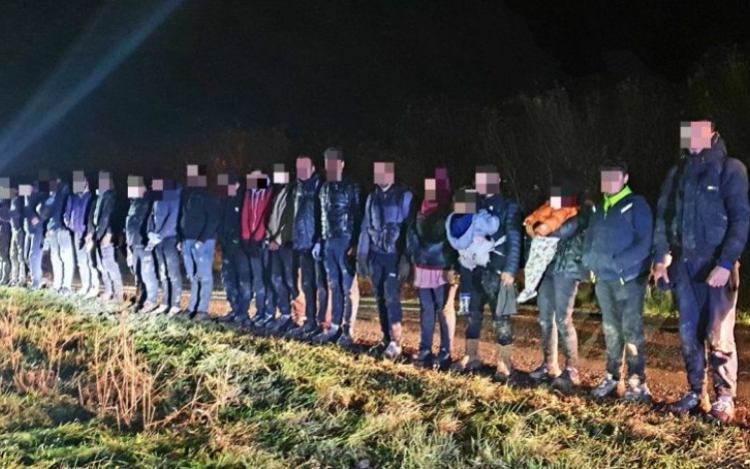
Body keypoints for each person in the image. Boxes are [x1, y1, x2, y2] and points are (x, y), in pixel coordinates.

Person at [653, 120, 750, 424]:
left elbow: (740, 219)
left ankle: (724, 398)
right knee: (689, 333)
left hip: (716, 265)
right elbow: (664, 216)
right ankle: (696, 393)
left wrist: (726, 262)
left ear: (713, 135)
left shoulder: (730, 169)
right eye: (689, 134)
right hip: (684, 266)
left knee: (719, 334)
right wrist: (661, 257)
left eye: (699, 133)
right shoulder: (677, 172)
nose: (693, 139)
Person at [582, 162, 652, 403]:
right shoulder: (600, 208)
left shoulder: (636, 205)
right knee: (611, 331)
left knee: (631, 331)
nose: (609, 181)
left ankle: (637, 383)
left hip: (628, 280)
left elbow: (645, 243)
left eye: (614, 177)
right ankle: (613, 378)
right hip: (604, 281)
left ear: (625, 178)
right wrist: (589, 261)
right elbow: (589, 240)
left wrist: (618, 264)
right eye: (605, 177)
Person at [450, 166, 522, 384]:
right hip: (473, 269)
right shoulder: (473, 203)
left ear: (498, 180)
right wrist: (455, 266)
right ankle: (471, 356)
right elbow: (461, 236)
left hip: (498, 270)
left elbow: (514, 238)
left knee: (502, 317)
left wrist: (511, 268)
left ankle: (505, 362)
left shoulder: (509, 206)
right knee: (472, 314)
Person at [527, 182, 592, 390]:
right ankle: (550, 364)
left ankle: (572, 370)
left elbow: (560, 232)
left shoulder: (580, 215)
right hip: (549, 268)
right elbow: (532, 229)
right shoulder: (550, 211)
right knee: (545, 319)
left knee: (563, 319)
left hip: (567, 270)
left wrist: (539, 229)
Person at [358, 161, 414, 359]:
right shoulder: (372, 198)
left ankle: (396, 343)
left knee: (392, 297)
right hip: (376, 255)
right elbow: (366, 227)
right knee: (380, 298)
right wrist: (362, 256)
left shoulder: (404, 196)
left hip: (394, 256)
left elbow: (410, 229)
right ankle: (386, 338)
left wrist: (406, 258)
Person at [407, 169, 457, 369]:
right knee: (427, 309)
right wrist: (414, 259)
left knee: (443, 309)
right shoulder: (421, 206)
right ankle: (426, 347)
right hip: (423, 265)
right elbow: (412, 233)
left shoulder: (450, 210)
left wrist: (453, 266)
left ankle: (445, 351)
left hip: (441, 266)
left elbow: (453, 240)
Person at [313, 148, 362, 345]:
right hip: (328, 241)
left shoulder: (352, 186)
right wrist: (319, 239)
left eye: (334, 162)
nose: (330, 166)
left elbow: (358, 214)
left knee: (348, 287)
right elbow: (321, 216)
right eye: (327, 162)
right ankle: (334, 326)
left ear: (341, 164)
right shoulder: (324, 188)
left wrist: (355, 243)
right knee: (333, 285)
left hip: (346, 239)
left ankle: (348, 329)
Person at [286, 156, 328, 339]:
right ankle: (310, 321)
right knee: (306, 284)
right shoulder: (297, 188)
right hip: (302, 243)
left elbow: (323, 214)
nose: (301, 171)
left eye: (304, 167)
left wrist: (319, 239)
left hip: (316, 242)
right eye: (298, 167)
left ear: (313, 168)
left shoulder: (320, 186)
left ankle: (324, 323)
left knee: (321, 285)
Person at [517, 187, 579, 303]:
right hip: (540, 239)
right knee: (531, 263)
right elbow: (538, 214)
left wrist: (540, 230)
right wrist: (530, 221)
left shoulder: (566, 208)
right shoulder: (549, 205)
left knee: (538, 262)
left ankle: (530, 288)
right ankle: (529, 287)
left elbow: (554, 221)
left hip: (548, 241)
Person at [180, 165, 221, 320]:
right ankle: (192, 308)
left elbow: (213, 220)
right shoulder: (189, 194)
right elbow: (183, 217)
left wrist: (202, 239)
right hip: (188, 239)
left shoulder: (209, 195)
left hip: (203, 241)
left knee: (204, 276)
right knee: (193, 276)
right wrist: (181, 238)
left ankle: (202, 310)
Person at [264, 164, 297, 335]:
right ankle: (285, 314)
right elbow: (272, 218)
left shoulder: (293, 192)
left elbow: (290, 219)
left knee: (291, 281)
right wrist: (269, 236)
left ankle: (300, 318)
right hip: (274, 243)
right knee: (276, 278)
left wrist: (277, 239)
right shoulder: (278, 192)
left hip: (287, 243)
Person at [216, 173, 252, 324]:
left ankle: (243, 312)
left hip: (241, 247)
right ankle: (235, 309)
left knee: (243, 280)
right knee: (228, 279)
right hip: (227, 246)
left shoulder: (244, 197)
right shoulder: (226, 199)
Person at [241, 169, 274, 328]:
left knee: (268, 278)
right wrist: (247, 237)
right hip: (253, 242)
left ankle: (269, 311)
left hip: (264, 241)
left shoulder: (269, 193)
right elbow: (245, 215)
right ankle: (260, 311)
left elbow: (266, 216)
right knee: (258, 278)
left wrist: (258, 236)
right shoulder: (250, 194)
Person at [147, 178, 183, 316]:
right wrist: (150, 232)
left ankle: (175, 304)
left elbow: (172, 219)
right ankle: (165, 302)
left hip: (169, 239)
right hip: (158, 240)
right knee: (162, 273)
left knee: (172, 272)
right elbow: (151, 217)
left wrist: (160, 235)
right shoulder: (157, 198)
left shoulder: (173, 197)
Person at [88, 171, 124, 303]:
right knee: (100, 265)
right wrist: (91, 232)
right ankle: (109, 290)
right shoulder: (99, 197)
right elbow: (94, 216)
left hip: (106, 236)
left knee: (109, 264)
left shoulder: (111, 197)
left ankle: (118, 293)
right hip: (98, 234)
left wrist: (108, 233)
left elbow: (110, 216)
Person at [124, 176, 159, 313]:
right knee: (138, 275)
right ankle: (140, 301)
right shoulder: (134, 203)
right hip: (134, 243)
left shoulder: (148, 200)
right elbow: (129, 225)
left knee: (147, 273)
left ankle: (151, 300)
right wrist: (128, 244)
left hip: (143, 242)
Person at [65, 171, 99, 297]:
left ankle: (94, 286)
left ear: (86, 182)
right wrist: (71, 225)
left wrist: (90, 231)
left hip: (88, 234)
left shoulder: (92, 197)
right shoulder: (73, 197)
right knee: (81, 261)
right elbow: (67, 215)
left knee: (91, 261)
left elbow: (92, 215)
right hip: (77, 234)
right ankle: (85, 286)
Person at [42, 172, 74, 294]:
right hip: (53, 228)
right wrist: (48, 227)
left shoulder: (65, 190)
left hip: (62, 228)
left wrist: (62, 225)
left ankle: (66, 286)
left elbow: (64, 210)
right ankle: (57, 285)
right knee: (55, 257)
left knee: (65, 257)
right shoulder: (53, 193)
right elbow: (47, 213)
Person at [24, 178, 49, 290]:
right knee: (27, 256)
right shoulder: (27, 198)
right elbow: (26, 211)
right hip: (29, 230)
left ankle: (37, 282)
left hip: (38, 230)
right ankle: (39, 278)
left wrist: (39, 218)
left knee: (34, 256)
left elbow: (46, 211)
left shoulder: (42, 196)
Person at [9, 185, 26, 287]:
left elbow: (17, 214)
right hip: (14, 231)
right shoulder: (12, 201)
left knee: (20, 256)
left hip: (19, 230)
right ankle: (14, 278)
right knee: (13, 255)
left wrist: (8, 214)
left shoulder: (18, 200)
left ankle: (21, 279)